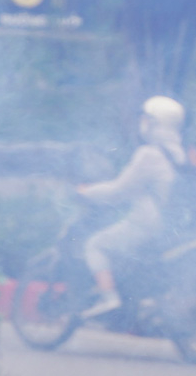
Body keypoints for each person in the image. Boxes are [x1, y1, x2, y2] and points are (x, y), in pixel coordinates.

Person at [76, 96, 188, 318]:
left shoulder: (150, 154)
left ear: (155, 123)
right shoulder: (179, 154)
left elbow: (119, 190)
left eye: (146, 119)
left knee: (95, 245)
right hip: (171, 226)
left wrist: (86, 192)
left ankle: (109, 298)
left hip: (146, 224)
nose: (142, 123)